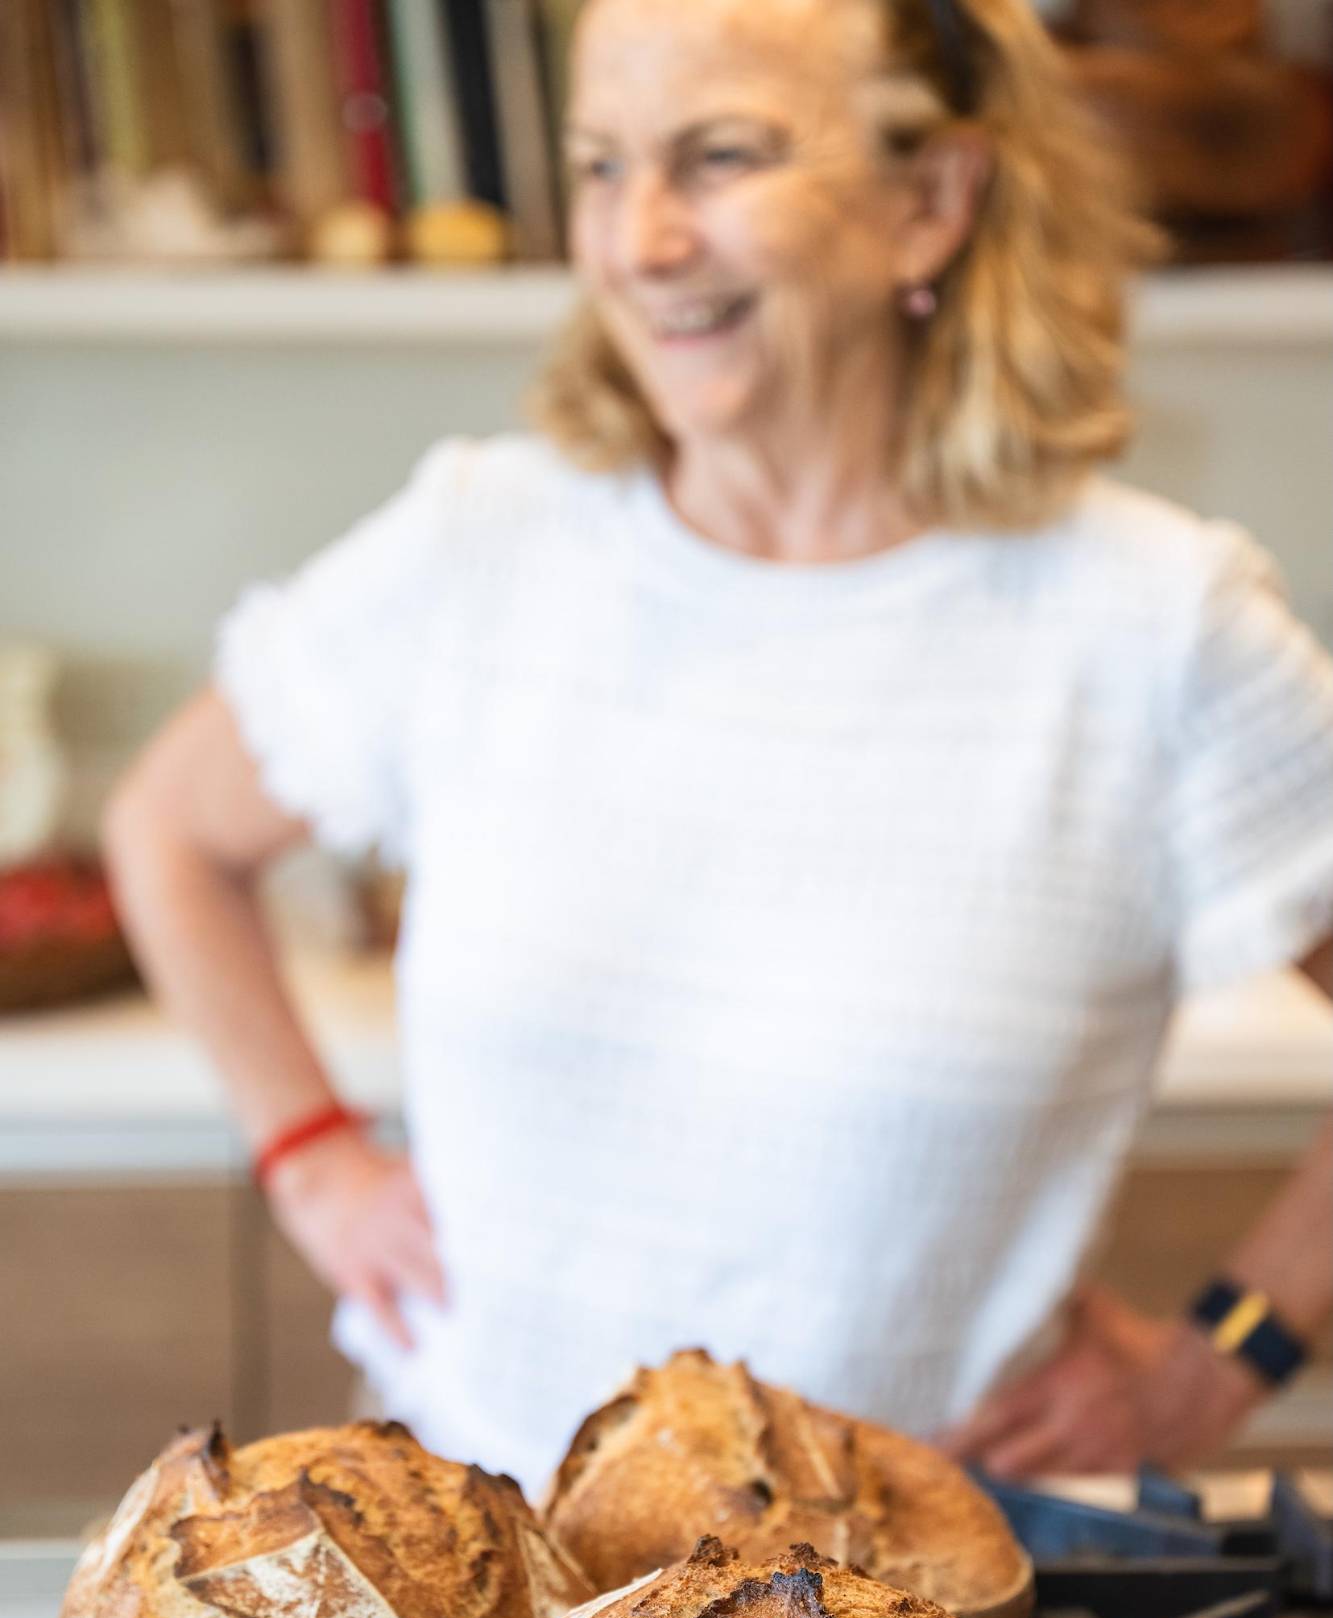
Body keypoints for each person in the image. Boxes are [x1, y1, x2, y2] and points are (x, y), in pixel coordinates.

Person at [105, 0, 1333, 1498]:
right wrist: (313, 1159)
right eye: (602, 167)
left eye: (720, 158)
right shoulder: (482, 545)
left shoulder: (1151, 628)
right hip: (491, 1577)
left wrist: (1225, 1357)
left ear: (928, 203)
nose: (639, 242)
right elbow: (169, 826)